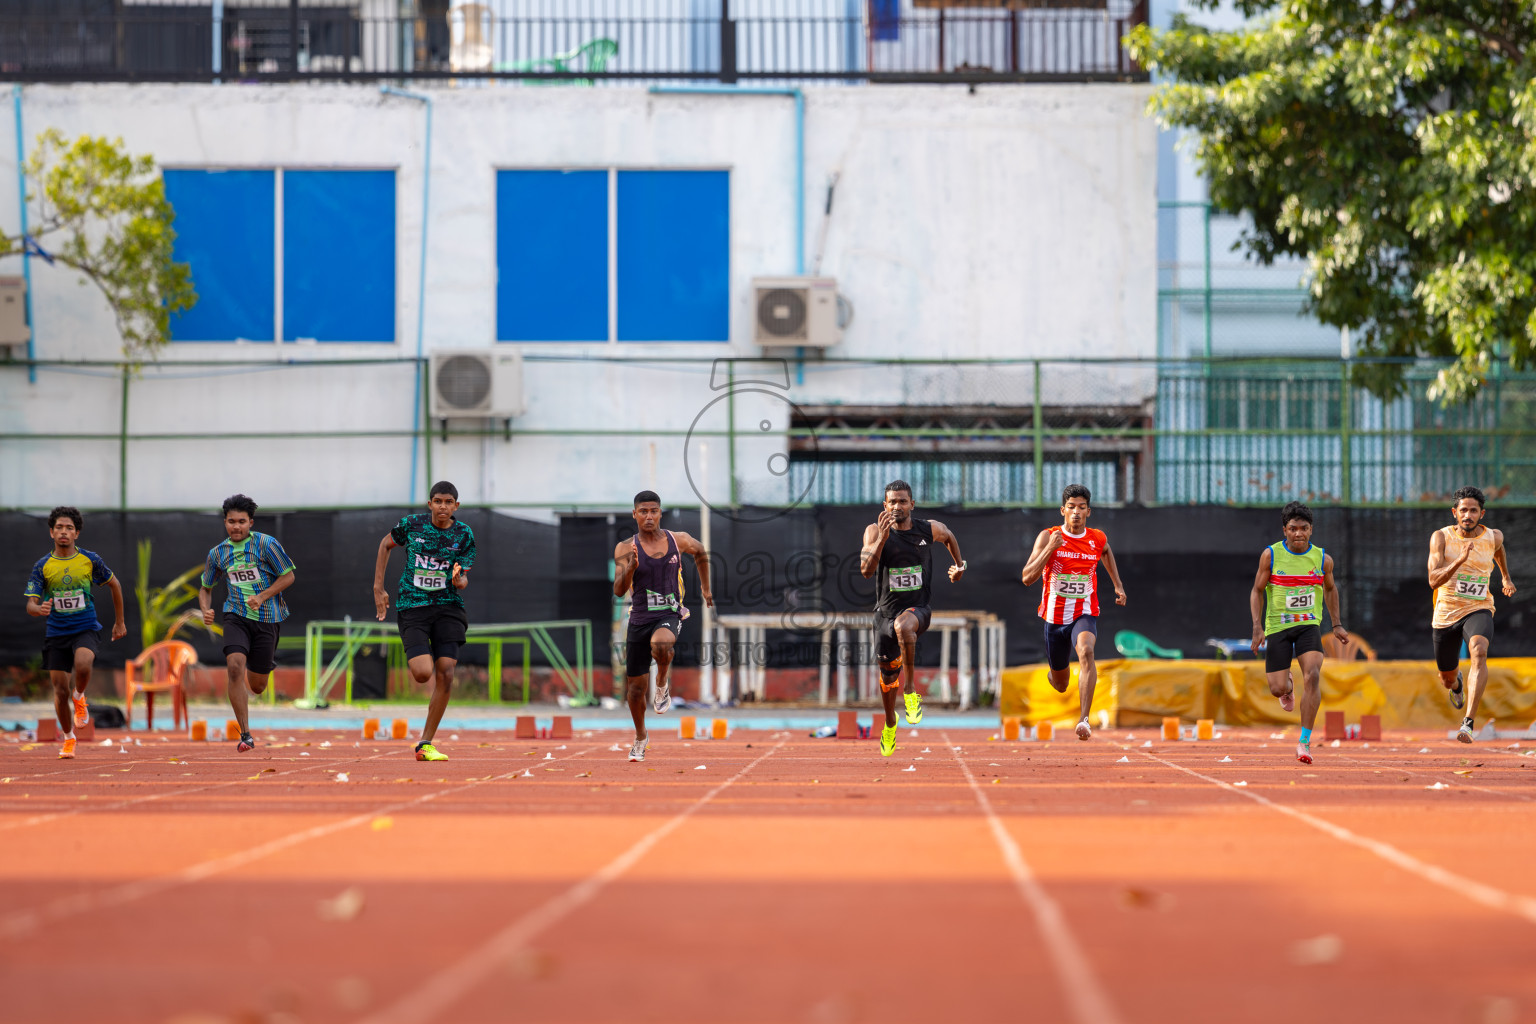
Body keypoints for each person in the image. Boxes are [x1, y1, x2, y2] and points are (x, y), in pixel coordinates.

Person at [859, 480, 966, 757]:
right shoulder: (873, 531)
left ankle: (910, 691)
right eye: (892, 502)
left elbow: (950, 536)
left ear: (912, 504)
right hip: (884, 614)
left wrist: (959, 566)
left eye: (902, 501)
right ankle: (891, 722)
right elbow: (866, 571)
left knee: (903, 626)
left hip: (918, 610)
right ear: (885, 506)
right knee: (887, 676)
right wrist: (882, 538)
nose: (897, 506)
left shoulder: (928, 529)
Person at [373, 481, 475, 762]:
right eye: (438, 501)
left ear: (456, 506)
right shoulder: (412, 525)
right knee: (422, 673)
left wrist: (459, 580)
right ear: (430, 504)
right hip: (413, 606)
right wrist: (378, 588)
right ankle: (421, 655)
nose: (443, 507)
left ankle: (425, 743)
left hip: (448, 606)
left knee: (447, 672)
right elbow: (385, 544)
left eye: (449, 502)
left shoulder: (463, 534)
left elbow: (464, 578)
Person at [1019, 484, 1126, 741]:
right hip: (1054, 618)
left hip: (1084, 612)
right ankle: (1053, 673)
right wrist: (1049, 549)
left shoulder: (1097, 538)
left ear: (1088, 511)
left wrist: (1118, 585)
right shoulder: (1048, 536)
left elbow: (1106, 551)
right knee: (1060, 683)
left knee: (1087, 651)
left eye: (1081, 508)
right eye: (1071, 507)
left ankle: (1084, 719)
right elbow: (1026, 578)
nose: (1076, 512)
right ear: (1062, 510)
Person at [612, 491, 712, 763]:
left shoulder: (676, 540)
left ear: (660, 513)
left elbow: (701, 551)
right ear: (634, 514)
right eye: (643, 511)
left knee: (662, 645)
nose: (649, 516)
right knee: (634, 691)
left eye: (654, 511)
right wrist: (630, 568)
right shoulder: (624, 548)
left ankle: (662, 682)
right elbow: (619, 591)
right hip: (639, 618)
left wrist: (705, 587)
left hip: (668, 613)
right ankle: (641, 737)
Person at [1249, 501, 1347, 765]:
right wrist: (1257, 627)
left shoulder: (1323, 559)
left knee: (1313, 674)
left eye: (1304, 528)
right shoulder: (1270, 556)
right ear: (1285, 530)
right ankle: (1287, 686)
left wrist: (1336, 624)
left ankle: (1304, 742)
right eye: (1293, 529)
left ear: (1311, 530)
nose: (1298, 534)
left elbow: (1330, 589)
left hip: (1308, 626)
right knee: (1276, 688)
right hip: (1278, 627)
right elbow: (1257, 591)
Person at [24, 506, 126, 760]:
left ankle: (79, 696)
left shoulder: (90, 560)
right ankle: (69, 738)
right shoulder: (42, 566)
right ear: (51, 532)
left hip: (85, 627)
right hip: (56, 632)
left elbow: (115, 585)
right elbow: (30, 605)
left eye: (69, 528)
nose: (64, 532)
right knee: (59, 690)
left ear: (77, 533)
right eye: (59, 527)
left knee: (83, 664)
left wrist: (120, 622)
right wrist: (39, 608)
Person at [198, 494, 297, 752]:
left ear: (250, 522)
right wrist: (206, 609)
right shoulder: (218, 553)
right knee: (234, 666)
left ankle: (259, 674)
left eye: (242, 521)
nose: (236, 527)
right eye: (231, 522)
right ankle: (245, 734)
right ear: (225, 522)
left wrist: (262, 596)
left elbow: (288, 577)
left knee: (258, 685)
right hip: (235, 616)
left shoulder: (267, 545)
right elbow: (205, 587)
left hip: (267, 618)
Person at [1427, 486, 1517, 743]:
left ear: (1482, 513)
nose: (1468, 515)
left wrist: (1506, 578)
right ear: (1455, 512)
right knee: (1446, 678)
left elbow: (1498, 551)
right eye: (1463, 510)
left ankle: (1468, 722)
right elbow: (1433, 580)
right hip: (1446, 613)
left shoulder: (1493, 537)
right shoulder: (1441, 538)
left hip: (1479, 606)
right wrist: (1459, 560)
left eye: (1473, 510)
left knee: (1479, 650)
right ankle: (1457, 684)